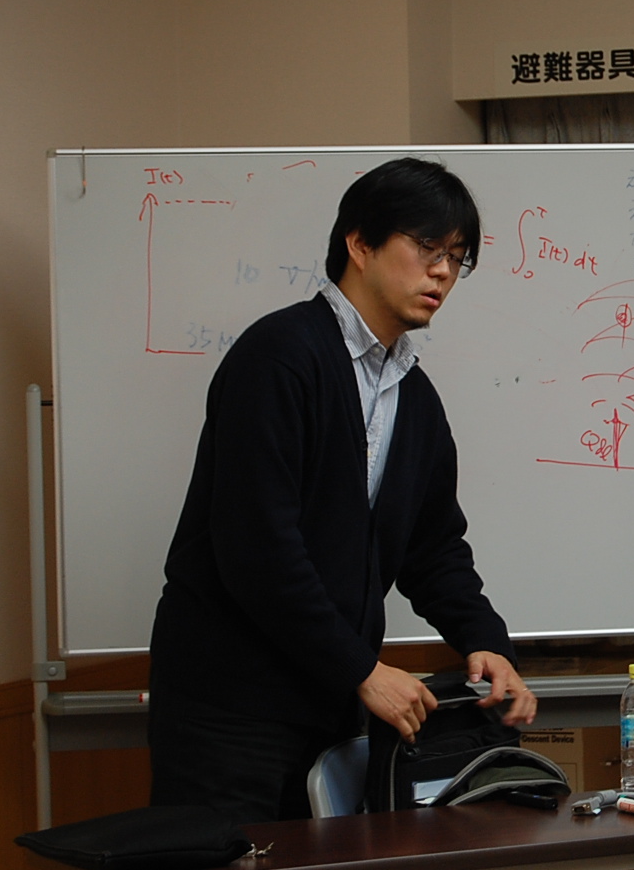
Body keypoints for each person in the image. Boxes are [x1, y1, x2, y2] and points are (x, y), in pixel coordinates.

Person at [147, 157, 537, 825]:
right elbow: (257, 548)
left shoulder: (413, 396)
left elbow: (434, 548)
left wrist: (487, 642)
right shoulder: (279, 357)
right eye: (428, 247)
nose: (443, 272)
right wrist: (361, 668)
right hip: (229, 708)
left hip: (325, 704)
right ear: (359, 243)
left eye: (456, 257)